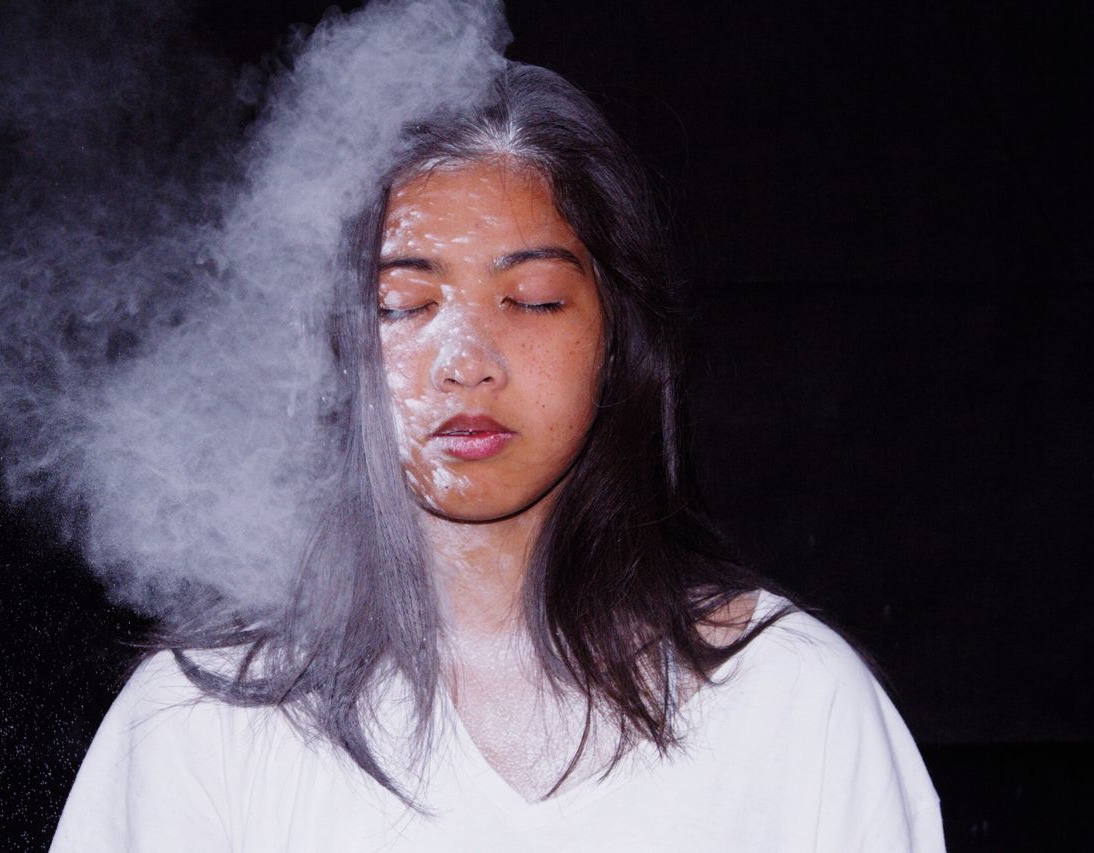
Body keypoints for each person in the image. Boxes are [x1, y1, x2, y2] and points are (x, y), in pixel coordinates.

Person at [51, 64, 944, 851]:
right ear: (330, 348)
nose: (466, 357)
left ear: (619, 336)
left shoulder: (793, 704)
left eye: (532, 298)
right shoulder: (203, 726)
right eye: (403, 302)